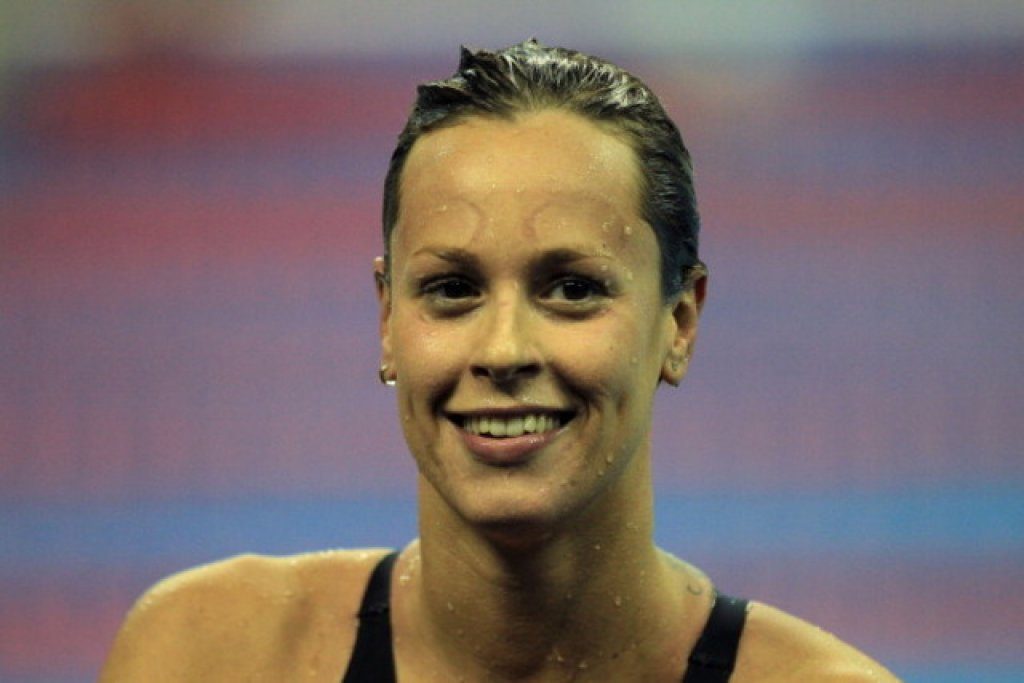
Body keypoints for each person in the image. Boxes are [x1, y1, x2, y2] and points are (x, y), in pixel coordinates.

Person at [101, 40, 899, 682]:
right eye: (451, 288)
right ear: (387, 318)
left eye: (572, 289)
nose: (504, 349)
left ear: (679, 321)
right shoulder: (208, 655)